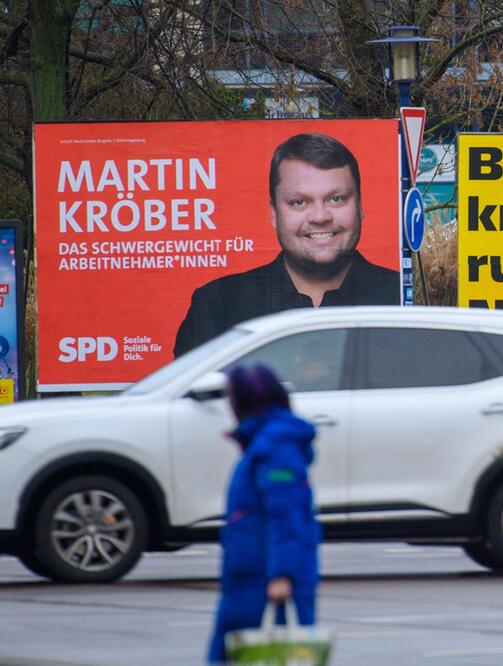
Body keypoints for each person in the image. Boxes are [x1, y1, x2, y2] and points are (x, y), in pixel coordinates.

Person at [175, 132, 401, 356]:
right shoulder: (219, 305)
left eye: (336, 199)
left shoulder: (400, 298)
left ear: (360, 205)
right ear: (274, 212)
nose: (320, 217)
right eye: (299, 202)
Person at [207, 364, 321, 664]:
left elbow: (284, 514)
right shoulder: (266, 443)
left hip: (262, 580)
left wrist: (281, 575)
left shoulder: (275, 448)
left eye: (231, 397)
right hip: (250, 576)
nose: (228, 405)